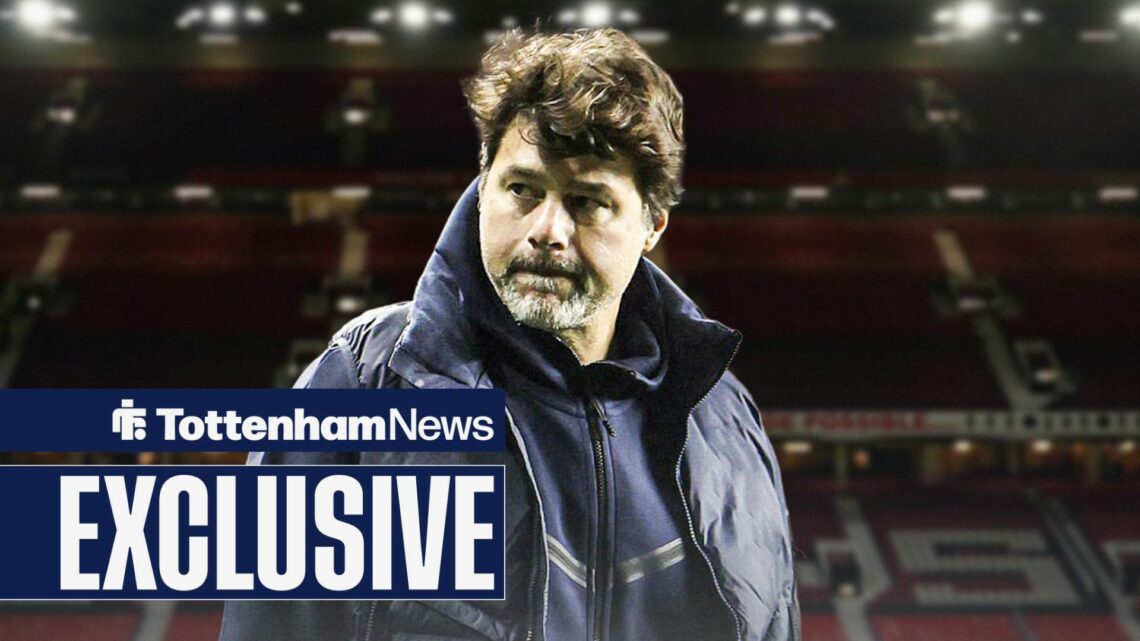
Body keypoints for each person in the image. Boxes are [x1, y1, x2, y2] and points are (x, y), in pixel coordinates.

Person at [221, 27, 798, 641]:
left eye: (587, 201)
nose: (547, 229)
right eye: (522, 189)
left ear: (652, 225)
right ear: (482, 189)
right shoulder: (361, 384)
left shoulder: (724, 415)